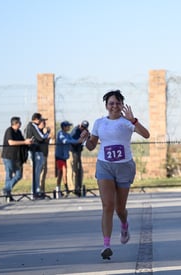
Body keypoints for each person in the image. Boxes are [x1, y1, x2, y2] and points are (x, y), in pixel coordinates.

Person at [85, 90, 150, 260]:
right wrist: (86, 139)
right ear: (106, 106)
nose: (114, 106)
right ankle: (106, 245)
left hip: (124, 167)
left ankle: (124, 224)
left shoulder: (127, 122)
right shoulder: (99, 123)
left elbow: (146, 134)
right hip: (104, 166)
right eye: (111, 103)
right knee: (107, 205)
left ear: (122, 105)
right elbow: (91, 145)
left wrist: (133, 120)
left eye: (117, 103)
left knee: (119, 209)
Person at [1, 117, 33, 201]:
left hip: (17, 158)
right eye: (19, 122)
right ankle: (8, 195)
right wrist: (24, 142)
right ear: (14, 123)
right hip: (8, 156)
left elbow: (23, 142)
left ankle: (6, 189)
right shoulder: (9, 130)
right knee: (9, 175)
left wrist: (28, 142)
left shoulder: (18, 132)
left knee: (19, 175)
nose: (20, 124)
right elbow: (10, 142)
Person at [55, 120, 88, 197]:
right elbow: (65, 141)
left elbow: (73, 140)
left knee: (62, 173)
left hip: (65, 156)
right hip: (60, 156)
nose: (69, 127)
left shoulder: (67, 134)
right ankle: (62, 189)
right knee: (62, 172)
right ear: (64, 127)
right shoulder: (61, 133)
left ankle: (60, 189)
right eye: (68, 126)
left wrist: (78, 141)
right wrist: (77, 141)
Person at [25, 113, 50, 199]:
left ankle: (36, 190)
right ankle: (34, 191)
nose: (41, 122)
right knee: (36, 172)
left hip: (37, 151)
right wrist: (47, 134)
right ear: (35, 119)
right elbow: (41, 137)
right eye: (40, 120)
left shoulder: (32, 126)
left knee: (38, 172)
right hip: (34, 151)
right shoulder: (32, 126)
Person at [70, 120, 89, 197]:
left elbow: (88, 138)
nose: (82, 128)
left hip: (78, 152)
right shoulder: (75, 131)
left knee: (79, 170)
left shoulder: (85, 131)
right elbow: (74, 141)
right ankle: (73, 189)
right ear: (80, 125)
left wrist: (86, 137)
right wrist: (81, 139)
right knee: (73, 170)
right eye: (82, 127)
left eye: (84, 128)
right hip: (73, 152)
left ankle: (79, 187)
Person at [38, 118, 51, 196]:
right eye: (43, 122)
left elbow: (46, 141)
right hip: (40, 155)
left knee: (44, 173)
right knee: (40, 173)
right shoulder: (38, 132)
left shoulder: (43, 132)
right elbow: (42, 139)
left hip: (45, 154)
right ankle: (39, 190)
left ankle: (42, 190)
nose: (44, 124)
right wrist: (47, 134)